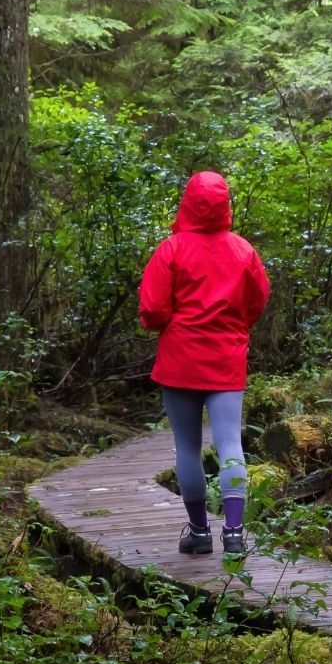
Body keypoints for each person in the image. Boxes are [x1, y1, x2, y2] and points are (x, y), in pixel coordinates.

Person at [138, 171, 270, 555]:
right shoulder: (243, 250)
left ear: (188, 202)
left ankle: (199, 533)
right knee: (231, 444)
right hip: (226, 361)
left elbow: (152, 308)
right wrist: (235, 327)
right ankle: (233, 533)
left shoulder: (172, 249)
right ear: (225, 203)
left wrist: (161, 325)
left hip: (180, 361)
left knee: (187, 449)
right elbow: (257, 300)